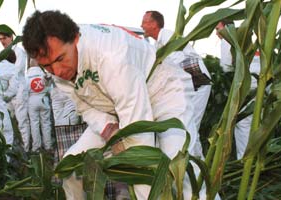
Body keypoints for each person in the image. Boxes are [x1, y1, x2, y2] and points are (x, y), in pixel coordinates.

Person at [22, 10, 199, 200]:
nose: (56, 71)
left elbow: (138, 136)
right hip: (114, 108)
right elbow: (85, 106)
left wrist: (132, 160)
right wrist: (110, 129)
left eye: (59, 59)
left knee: (179, 167)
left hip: (163, 93)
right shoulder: (58, 68)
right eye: (47, 66)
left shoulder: (111, 55)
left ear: (75, 38)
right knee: (71, 169)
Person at [141, 10, 215, 200]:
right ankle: (199, 171)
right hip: (187, 84)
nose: (142, 26)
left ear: (155, 24)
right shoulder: (158, 42)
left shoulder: (168, 37)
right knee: (190, 131)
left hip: (196, 84)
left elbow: (172, 64)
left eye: (145, 22)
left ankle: (196, 179)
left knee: (188, 130)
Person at [215, 19, 261, 159]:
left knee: (243, 124)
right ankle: (258, 159)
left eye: (218, 29)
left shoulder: (227, 40)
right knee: (258, 123)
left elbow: (226, 68)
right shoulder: (249, 41)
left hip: (247, 86)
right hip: (262, 85)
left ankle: (244, 161)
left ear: (226, 28)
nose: (216, 33)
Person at [0, 31, 31, 147]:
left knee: (22, 120)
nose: (2, 41)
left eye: (4, 38)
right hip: (7, 92)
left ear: (11, 37)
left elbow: (16, 72)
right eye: (0, 39)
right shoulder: (3, 53)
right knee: (7, 119)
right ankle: (12, 146)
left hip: (19, 90)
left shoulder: (19, 52)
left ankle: (26, 148)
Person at [25, 59, 52, 152]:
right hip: (44, 99)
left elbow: (24, 91)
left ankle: (36, 147)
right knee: (46, 123)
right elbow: (49, 89)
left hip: (32, 100)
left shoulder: (26, 77)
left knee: (34, 124)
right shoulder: (43, 75)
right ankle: (48, 146)